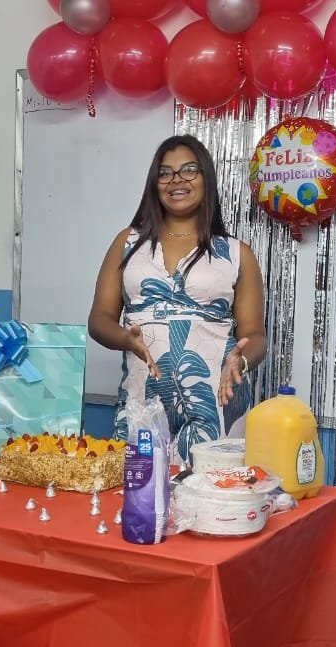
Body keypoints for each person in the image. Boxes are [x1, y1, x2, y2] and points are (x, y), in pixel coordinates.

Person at [88, 134, 267, 465]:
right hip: (142, 401)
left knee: (209, 493)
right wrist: (125, 338)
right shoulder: (128, 243)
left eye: (189, 170)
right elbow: (99, 319)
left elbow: (255, 335)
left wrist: (240, 362)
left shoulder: (236, 253)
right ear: (154, 183)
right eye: (165, 173)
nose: (176, 180)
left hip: (215, 403)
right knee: (137, 489)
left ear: (206, 177)